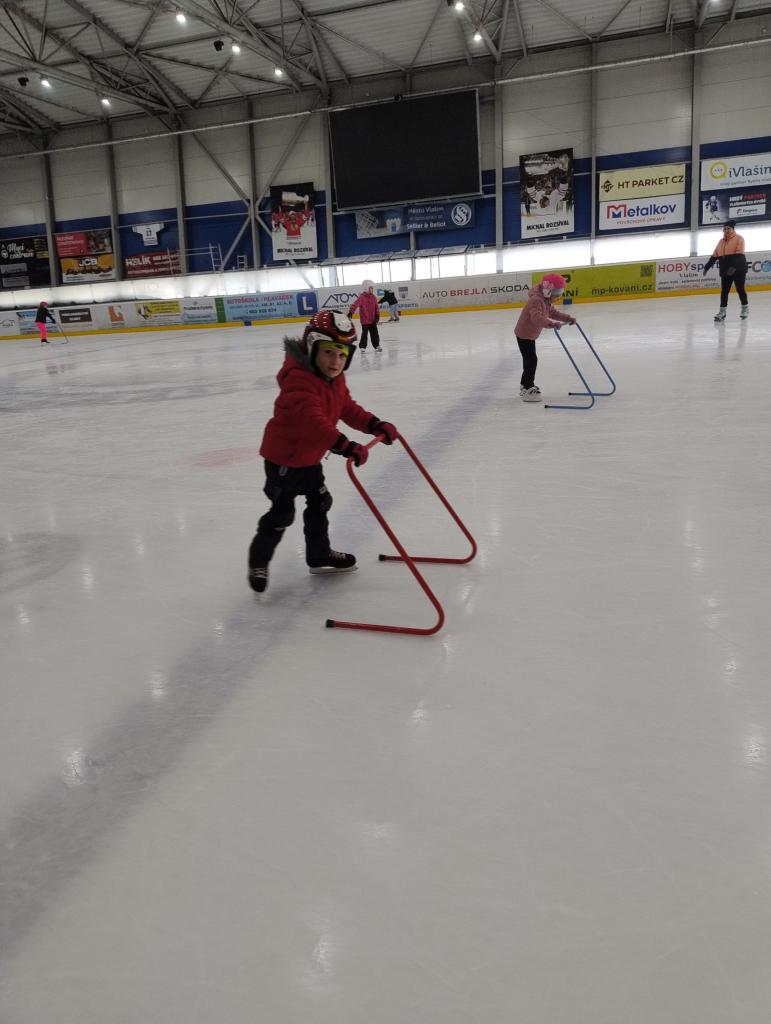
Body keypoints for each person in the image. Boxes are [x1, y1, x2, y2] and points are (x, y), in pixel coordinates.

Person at [247, 309, 398, 594]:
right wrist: (344, 445)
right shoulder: (298, 381)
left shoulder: (334, 380)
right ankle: (258, 561)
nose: (335, 361)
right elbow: (312, 422)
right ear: (311, 347)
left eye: (342, 354)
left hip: (310, 460)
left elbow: (347, 408)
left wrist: (374, 424)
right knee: (282, 514)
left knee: (320, 502)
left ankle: (319, 554)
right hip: (283, 461)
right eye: (328, 352)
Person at [513, 273, 576, 402]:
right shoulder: (536, 300)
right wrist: (551, 324)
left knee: (530, 359)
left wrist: (567, 318)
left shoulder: (545, 300)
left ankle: (525, 384)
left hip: (530, 334)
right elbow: (536, 318)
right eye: (556, 293)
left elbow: (552, 312)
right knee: (531, 360)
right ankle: (527, 387)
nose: (558, 296)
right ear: (548, 290)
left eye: (560, 293)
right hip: (524, 334)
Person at [703, 220, 748, 322]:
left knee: (740, 289)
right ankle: (722, 312)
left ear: (733, 229)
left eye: (728, 228)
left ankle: (745, 308)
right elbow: (715, 255)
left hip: (738, 269)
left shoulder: (739, 238)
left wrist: (733, 267)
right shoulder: (721, 241)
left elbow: (739, 254)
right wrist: (707, 267)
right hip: (725, 270)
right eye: (725, 229)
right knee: (724, 291)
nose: (726, 230)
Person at [348, 280, 380, 350]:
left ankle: (377, 345)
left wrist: (377, 315)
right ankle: (362, 346)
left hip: (372, 320)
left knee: (375, 333)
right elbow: (355, 304)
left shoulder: (373, 297)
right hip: (365, 320)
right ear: (366, 288)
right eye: (371, 288)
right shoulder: (362, 297)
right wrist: (351, 311)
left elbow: (376, 307)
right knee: (364, 334)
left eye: (372, 288)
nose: (372, 289)